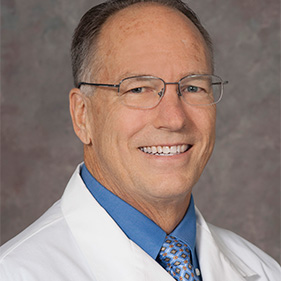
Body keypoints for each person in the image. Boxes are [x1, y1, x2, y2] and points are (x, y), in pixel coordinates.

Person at [0, 0, 280, 280]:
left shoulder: (263, 270)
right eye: (138, 89)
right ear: (82, 115)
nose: (174, 119)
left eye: (193, 87)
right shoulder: (16, 272)